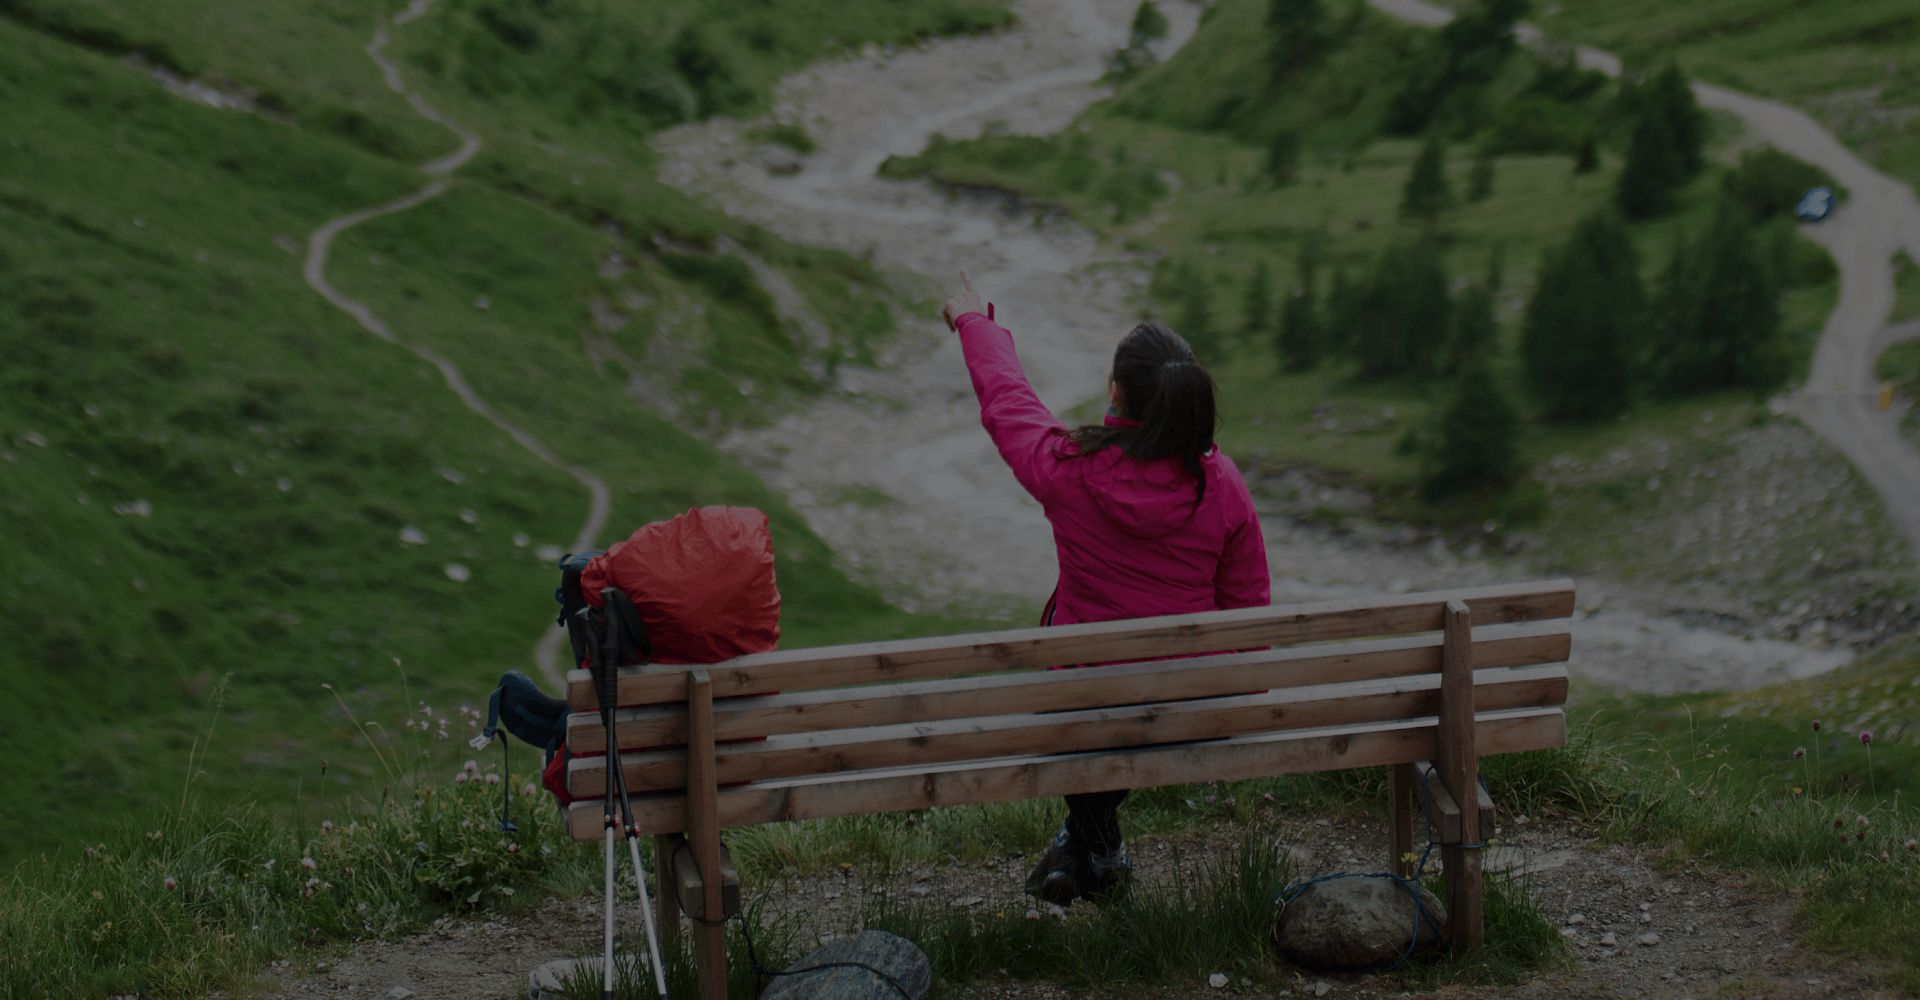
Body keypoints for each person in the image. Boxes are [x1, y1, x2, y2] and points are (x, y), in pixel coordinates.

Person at [941, 271, 1271, 905]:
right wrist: (1238, 693)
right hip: (1191, 704)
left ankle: (1096, 846)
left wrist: (974, 321)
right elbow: (1247, 607)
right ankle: (1088, 846)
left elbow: (1010, 402)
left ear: (1116, 391)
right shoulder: (1221, 483)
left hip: (1083, 702)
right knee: (1102, 686)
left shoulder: (1070, 469)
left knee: (1076, 685)